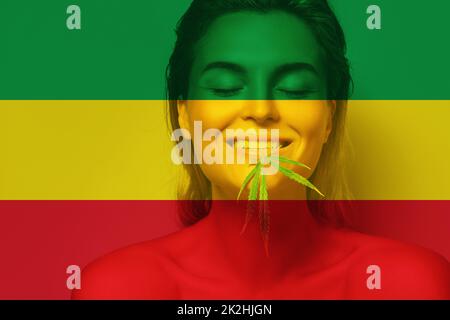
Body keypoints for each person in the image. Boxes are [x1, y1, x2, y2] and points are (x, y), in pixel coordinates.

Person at [72, 0, 450, 299]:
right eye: (224, 87)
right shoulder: (117, 290)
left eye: (296, 88)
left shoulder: (411, 286)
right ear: (184, 113)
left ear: (329, 117)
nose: (261, 109)